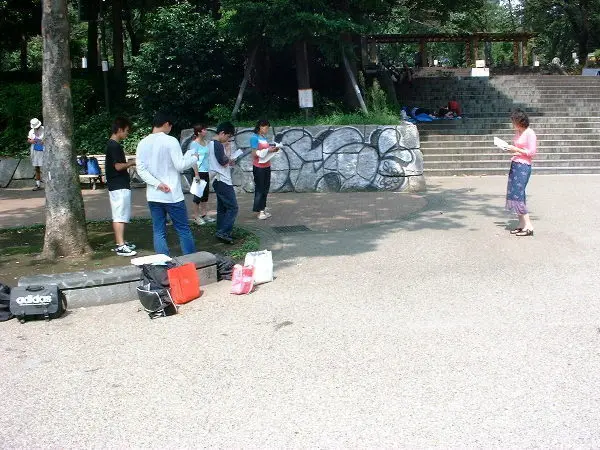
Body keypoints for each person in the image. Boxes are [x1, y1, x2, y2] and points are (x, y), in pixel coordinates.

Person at [135, 112, 199, 255]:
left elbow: (141, 169)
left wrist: (157, 184)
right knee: (183, 229)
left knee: (158, 231)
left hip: (153, 195)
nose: (170, 128)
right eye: (170, 126)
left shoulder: (142, 143)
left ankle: (163, 265)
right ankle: (192, 261)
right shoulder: (170, 141)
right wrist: (194, 157)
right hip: (172, 195)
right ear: (166, 124)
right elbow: (180, 165)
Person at [105, 117, 137, 257]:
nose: (127, 134)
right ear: (119, 130)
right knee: (119, 215)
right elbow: (118, 166)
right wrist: (131, 162)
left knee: (121, 214)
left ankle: (121, 242)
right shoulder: (114, 146)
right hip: (118, 185)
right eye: (126, 131)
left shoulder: (113, 145)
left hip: (118, 185)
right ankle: (120, 245)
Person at [505, 109, 537, 237]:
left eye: (514, 121)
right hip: (516, 163)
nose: (513, 124)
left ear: (520, 121)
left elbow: (532, 152)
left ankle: (528, 225)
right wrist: (512, 150)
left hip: (523, 167)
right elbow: (521, 150)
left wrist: (516, 149)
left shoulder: (530, 133)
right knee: (514, 194)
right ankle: (521, 224)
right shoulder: (519, 132)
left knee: (518, 194)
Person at [208, 121, 237, 244]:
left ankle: (221, 230)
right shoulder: (218, 145)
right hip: (222, 179)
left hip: (216, 179)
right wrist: (229, 154)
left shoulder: (210, 144)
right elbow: (223, 162)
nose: (228, 139)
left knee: (222, 208)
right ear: (222, 133)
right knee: (233, 207)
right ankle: (224, 232)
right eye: (228, 136)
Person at [250, 119, 279, 220]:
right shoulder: (254, 138)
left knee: (266, 188)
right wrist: (267, 150)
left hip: (267, 165)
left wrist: (273, 149)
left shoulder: (263, 137)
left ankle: (263, 208)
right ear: (260, 127)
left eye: (268, 128)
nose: (267, 130)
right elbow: (254, 153)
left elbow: (265, 150)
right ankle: (259, 211)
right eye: (266, 127)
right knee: (260, 188)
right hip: (258, 167)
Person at [189, 124, 215, 225]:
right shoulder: (193, 144)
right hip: (198, 172)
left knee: (205, 194)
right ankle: (196, 216)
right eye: (204, 130)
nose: (206, 131)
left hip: (205, 171)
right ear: (199, 132)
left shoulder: (206, 142)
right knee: (197, 195)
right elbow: (193, 160)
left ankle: (204, 214)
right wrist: (196, 174)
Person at [27, 118, 44, 191]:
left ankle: (49, 183)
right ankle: (38, 185)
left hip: (44, 149)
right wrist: (31, 141)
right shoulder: (31, 131)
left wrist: (43, 141)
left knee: (46, 166)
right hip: (35, 150)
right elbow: (28, 139)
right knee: (36, 167)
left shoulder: (44, 129)